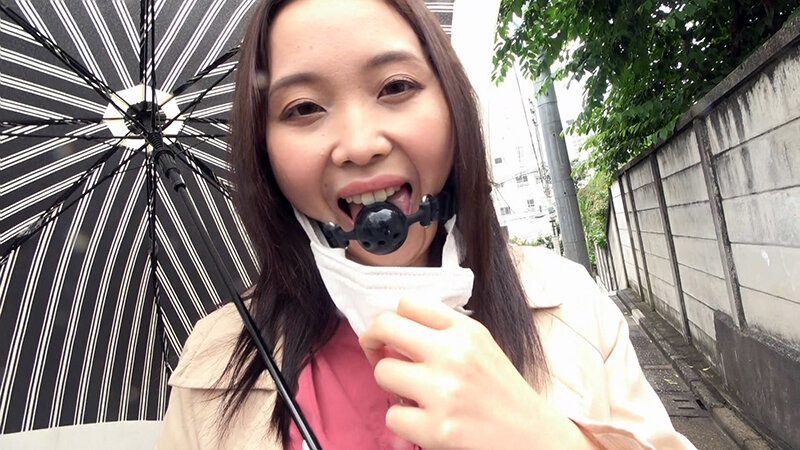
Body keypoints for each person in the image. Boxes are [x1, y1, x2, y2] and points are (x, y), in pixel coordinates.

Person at [158, 0, 695, 449]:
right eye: (302, 109)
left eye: (395, 86)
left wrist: (548, 439)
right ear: (264, 151)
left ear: (453, 103)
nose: (360, 145)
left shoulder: (572, 303)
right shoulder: (214, 363)